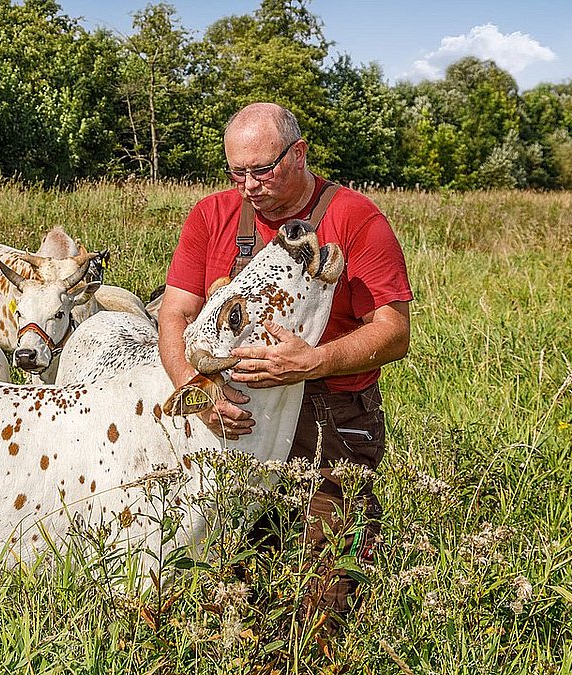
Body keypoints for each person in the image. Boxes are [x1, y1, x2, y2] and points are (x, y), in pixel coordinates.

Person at [157, 102, 413, 616]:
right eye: (237, 172)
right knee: (227, 576)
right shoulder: (212, 214)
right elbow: (174, 315)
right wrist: (197, 388)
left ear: (299, 154)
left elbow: (394, 332)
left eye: (262, 169)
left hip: (330, 418)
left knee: (327, 589)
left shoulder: (355, 218)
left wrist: (313, 361)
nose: (248, 185)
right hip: (236, 416)